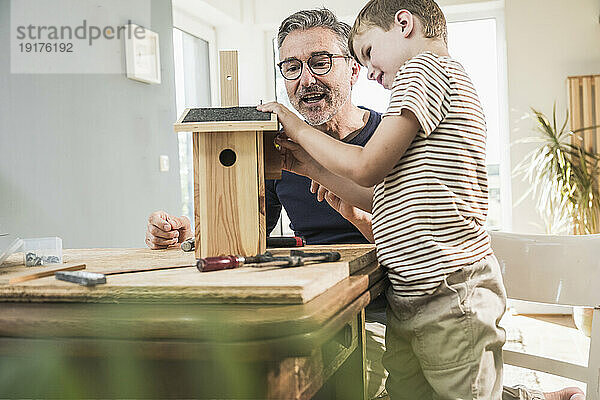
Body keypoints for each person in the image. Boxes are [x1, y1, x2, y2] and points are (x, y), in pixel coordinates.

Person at [148, 7, 583, 400]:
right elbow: (249, 232)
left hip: (414, 296)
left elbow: (370, 176)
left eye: (321, 62)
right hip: (396, 301)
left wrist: (300, 134)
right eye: (292, 67)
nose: (305, 78)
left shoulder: (408, 101)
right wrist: (193, 233)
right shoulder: (301, 157)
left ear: (353, 69)